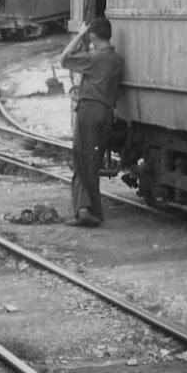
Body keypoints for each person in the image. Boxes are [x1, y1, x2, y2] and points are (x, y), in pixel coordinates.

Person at [59, 18, 123, 228]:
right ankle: (92, 210)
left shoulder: (94, 58)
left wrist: (79, 34)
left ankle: (85, 211)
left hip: (88, 110)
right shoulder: (116, 59)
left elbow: (64, 58)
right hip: (105, 113)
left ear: (93, 36)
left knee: (81, 159)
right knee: (93, 162)